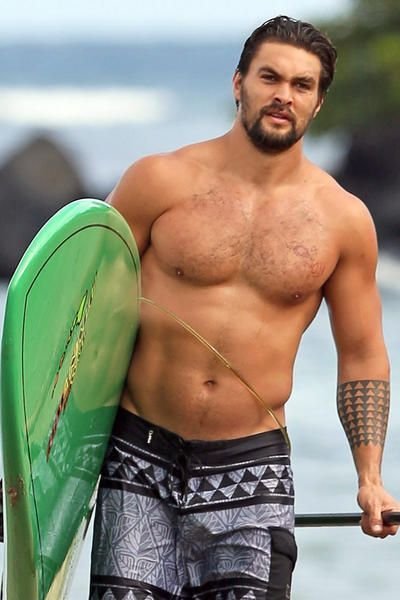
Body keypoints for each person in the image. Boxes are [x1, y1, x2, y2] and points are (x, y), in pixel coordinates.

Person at [89, 15, 399, 600]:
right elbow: (78, 310)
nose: (284, 95)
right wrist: (42, 457)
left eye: (302, 85)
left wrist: (370, 479)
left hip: (252, 470)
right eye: (270, 77)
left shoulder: (342, 220)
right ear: (239, 83)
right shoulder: (158, 181)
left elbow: (361, 354)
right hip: (138, 456)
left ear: (318, 103)